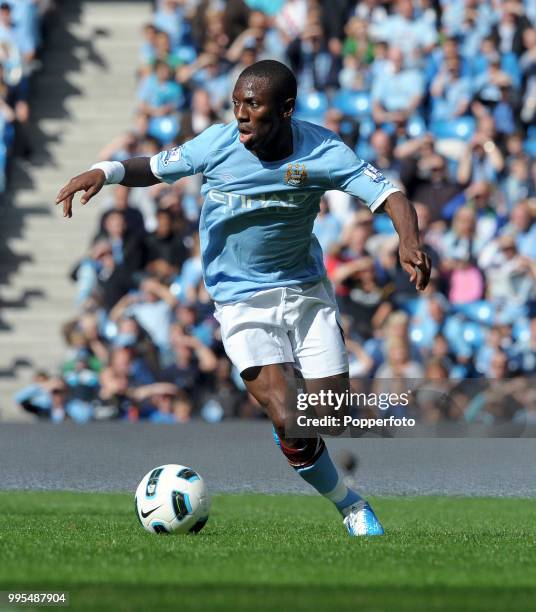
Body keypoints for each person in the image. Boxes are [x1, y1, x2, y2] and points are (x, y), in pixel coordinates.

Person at [56, 60, 431, 537]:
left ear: (287, 108)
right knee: (286, 415)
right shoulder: (216, 144)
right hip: (239, 299)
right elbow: (152, 168)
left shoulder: (323, 150)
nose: (241, 114)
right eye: (236, 103)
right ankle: (351, 505)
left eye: (253, 104)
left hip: (304, 289)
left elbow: (389, 194)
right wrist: (103, 172)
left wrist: (409, 240)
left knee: (331, 414)